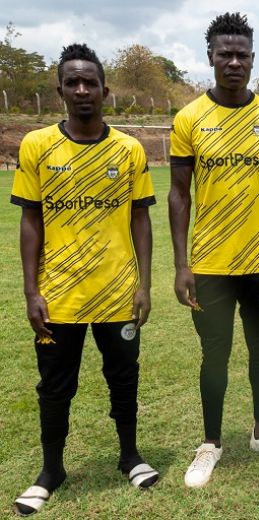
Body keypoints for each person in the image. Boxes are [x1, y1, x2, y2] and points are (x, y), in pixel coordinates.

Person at [10, 43, 158, 516]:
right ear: (59, 91)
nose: (81, 90)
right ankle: (51, 469)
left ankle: (130, 455)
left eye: (89, 82)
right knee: (54, 386)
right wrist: (32, 291)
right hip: (59, 296)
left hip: (117, 293)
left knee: (124, 378)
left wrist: (144, 284)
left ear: (105, 90)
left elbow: (141, 219)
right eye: (72, 82)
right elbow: (30, 220)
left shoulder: (129, 150)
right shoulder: (36, 146)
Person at [168, 12, 259, 488]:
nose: (233, 62)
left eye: (242, 54)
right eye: (225, 53)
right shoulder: (189, 118)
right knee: (215, 354)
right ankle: (210, 444)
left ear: (252, 60)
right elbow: (179, 192)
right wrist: (182, 264)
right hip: (209, 264)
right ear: (210, 57)